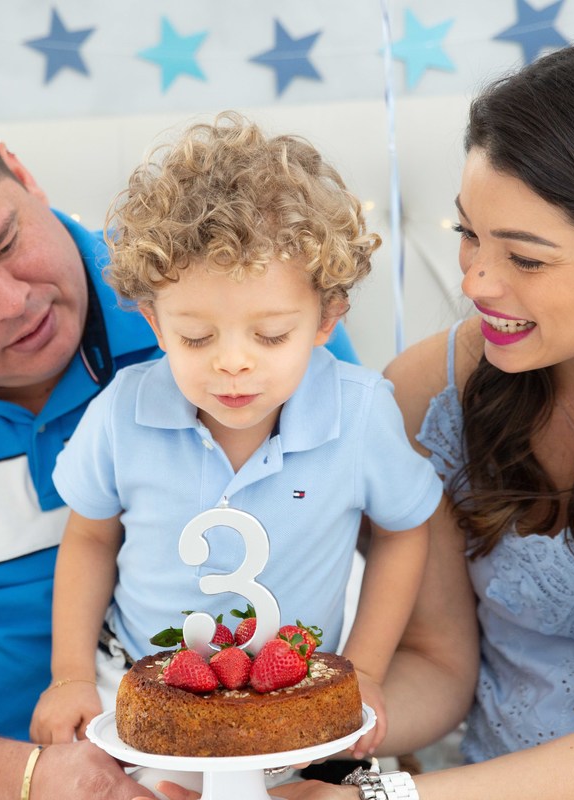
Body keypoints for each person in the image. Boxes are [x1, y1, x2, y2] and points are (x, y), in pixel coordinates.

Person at [155, 38, 574, 800]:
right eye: (468, 235)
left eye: (527, 258)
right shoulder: (426, 392)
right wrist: (311, 758)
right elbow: (441, 669)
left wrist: (372, 799)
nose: (477, 282)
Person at [0, 85, 362, 799]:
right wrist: (35, 780)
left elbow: (391, 548)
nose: (12, 302)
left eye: (7, 243)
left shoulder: (228, 303)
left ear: (23, 176)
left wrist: (346, 758)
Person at [31, 113, 442, 764]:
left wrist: (365, 672)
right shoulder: (121, 412)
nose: (232, 362)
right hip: (142, 688)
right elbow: (88, 538)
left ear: (326, 317)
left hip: (300, 695)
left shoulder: (360, 414)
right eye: (196, 337)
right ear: (155, 323)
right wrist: (69, 676)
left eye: (270, 334)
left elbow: (402, 532)